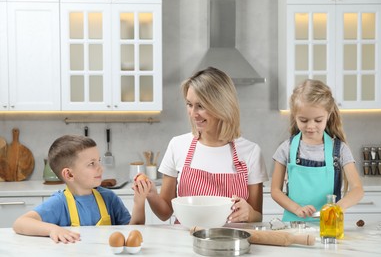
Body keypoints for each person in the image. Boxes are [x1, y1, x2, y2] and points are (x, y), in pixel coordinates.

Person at [139, 67, 268, 223]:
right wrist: (151, 193)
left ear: (222, 106)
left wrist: (249, 213)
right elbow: (165, 212)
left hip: (230, 243)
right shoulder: (178, 145)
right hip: (185, 242)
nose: (193, 114)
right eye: (189, 104)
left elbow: (257, 217)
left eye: (201, 106)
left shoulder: (251, 152)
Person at [13, 135, 150, 243]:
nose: (100, 168)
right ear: (69, 174)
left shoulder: (109, 198)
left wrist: (139, 202)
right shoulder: (60, 203)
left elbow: (134, 231)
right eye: (91, 164)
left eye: (99, 161)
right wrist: (53, 229)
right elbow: (20, 223)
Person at [271, 79, 364, 222]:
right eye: (303, 120)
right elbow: (275, 191)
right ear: (294, 116)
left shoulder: (340, 150)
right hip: (293, 226)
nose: (311, 126)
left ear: (328, 114)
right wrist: (296, 208)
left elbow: (357, 189)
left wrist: (339, 207)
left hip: (329, 226)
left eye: (318, 120)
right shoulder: (286, 148)